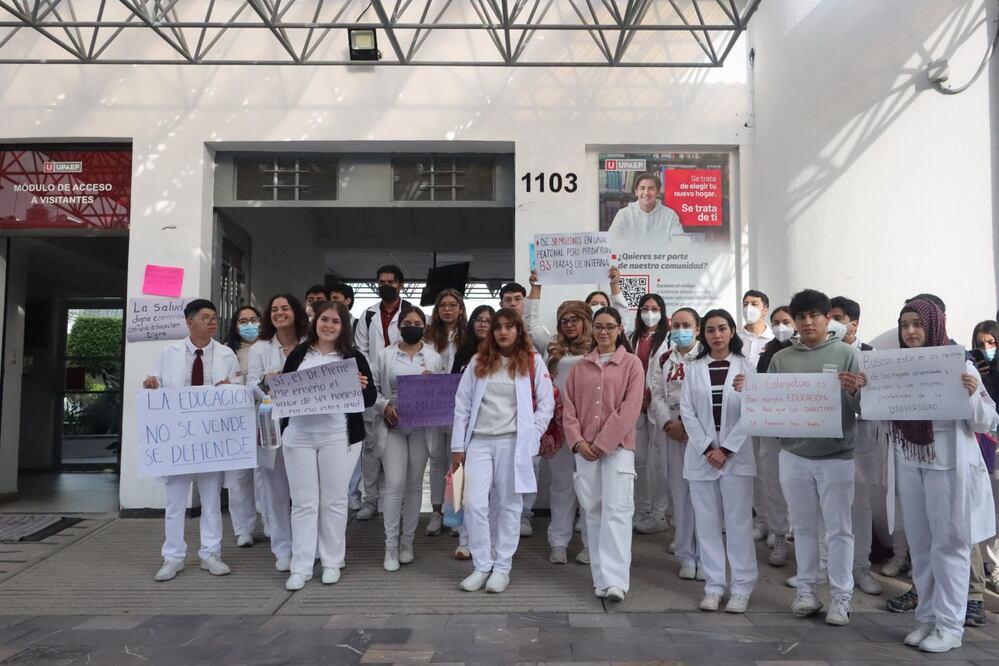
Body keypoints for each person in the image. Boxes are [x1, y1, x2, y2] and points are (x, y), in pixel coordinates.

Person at [867, 298, 998, 653]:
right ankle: (927, 617)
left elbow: (988, 421)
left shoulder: (961, 365)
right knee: (921, 545)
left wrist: (971, 396)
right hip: (911, 462)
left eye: (917, 324)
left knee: (950, 546)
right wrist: (868, 391)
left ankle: (950, 626)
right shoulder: (895, 367)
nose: (910, 331)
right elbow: (883, 420)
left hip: (950, 468)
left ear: (934, 325)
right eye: (904, 325)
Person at [768, 288, 863, 626]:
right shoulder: (781, 359)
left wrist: (854, 390)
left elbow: (863, 407)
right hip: (793, 455)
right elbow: (769, 404)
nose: (808, 322)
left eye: (814, 316)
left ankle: (841, 598)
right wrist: (748, 393)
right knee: (803, 528)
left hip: (836, 456)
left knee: (839, 530)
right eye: (801, 317)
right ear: (795, 321)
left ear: (827, 319)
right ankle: (806, 592)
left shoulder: (847, 354)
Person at [451, 309, 554, 593]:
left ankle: (502, 567)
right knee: (474, 504)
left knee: (510, 505)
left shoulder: (532, 361)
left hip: (513, 442)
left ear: (519, 330)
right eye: (498, 327)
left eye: (510, 327)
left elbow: (547, 404)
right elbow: (462, 405)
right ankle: (482, 565)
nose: (503, 332)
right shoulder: (478, 361)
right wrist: (458, 446)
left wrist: (532, 435)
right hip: (479, 442)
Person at [280, 301, 377, 591]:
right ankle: (301, 565)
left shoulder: (354, 357)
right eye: (325, 319)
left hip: (338, 434)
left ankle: (332, 561)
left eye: (336, 321)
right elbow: (283, 393)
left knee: (334, 500)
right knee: (303, 502)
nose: (329, 325)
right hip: (299, 435)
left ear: (343, 326)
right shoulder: (299, 354)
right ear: (316, 321)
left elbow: (370, 398)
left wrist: (361, 387)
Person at [143, 299, 239, 582]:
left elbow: (238, 387)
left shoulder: (226, 354)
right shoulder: (168, 353)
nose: (212, 322)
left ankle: (211, 554)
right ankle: (173, 556)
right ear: (189, 322)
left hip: (211, 437)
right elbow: (155, 384)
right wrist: (151, 384)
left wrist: (231, 388)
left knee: (210, 499)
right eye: (205, 317)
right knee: (175, 501)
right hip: (179, 439)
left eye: (214, 317)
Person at [564, 306, 645, 601]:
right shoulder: (579, 367)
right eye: (599, 326)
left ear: (620, 329)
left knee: (617, 513)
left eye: (610, 326)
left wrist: (603, 443)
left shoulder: (632, 364)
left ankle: (616, 582)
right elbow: (568, 409)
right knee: (594, 513)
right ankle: (601, 580)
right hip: (584, 451)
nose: (604, 332)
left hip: (618, 450)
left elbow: (630, 409)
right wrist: (578, 442)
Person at [680, 308, 757, 613]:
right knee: (707, 524)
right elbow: (687, 411)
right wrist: (706, 449)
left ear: (732, 331)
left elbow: (752, 411)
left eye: (722, 328)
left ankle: (741, 587)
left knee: (738, 524)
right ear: (703, 334)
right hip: (702, 457)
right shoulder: (693, 369)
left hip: (735, 457)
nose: (716, 335)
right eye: (710, 330)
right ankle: (714, 586)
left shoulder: (747, 367)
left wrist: (725, 449)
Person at [373, 306, 446, 571]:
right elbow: (374, 388)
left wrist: (433, 383)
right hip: (393, 425)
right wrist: (384, 407)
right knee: (394, 483)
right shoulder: (385, 355)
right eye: (407, 323)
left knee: (414, 485)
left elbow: (443, 393)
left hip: (421, 428)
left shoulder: (434, 357)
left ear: (424, 327)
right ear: (399, 327)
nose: (411, 327)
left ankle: (407, 543)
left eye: (417, 323)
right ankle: (390, 546)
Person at [247, 294, 308, 573]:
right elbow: (251, 385)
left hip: (305, 423)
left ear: (296, 312)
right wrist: (267, 383)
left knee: (305, 492)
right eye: (274, 309)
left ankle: (306, 547)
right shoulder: (260, 348)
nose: (279, 313)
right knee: (276, 491)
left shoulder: (309, 344)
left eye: (285, 308)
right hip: (271, 424)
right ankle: (283, 549)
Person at [829, 296, 884, 597]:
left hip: (861, 435)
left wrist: (861, 389)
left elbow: (881, 399)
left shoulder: (872, 355)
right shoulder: (822, 351)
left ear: (853, 323)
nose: (831, 323)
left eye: (837, 317)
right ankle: (825, 567)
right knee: (827, 502)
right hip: (828, 434)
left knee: (860, 504)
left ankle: (861, 567)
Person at [355, 265, 414, 521]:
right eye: (381, 282)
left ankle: (401, 501)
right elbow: (361, 351)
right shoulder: (368, 315)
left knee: (403, 449)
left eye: (391, 281)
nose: (386, 285)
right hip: (372, 385)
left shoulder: (411, 312)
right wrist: (376, 377)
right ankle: (370, 499)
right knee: (371, 448)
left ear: (401, 284)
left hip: (404, 387)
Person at [648, 307, 703, 580]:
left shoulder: (707, 357)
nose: (680, 330)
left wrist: (689, 427)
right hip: (672, 433)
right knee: (679, 497)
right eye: (676, 325)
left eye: (686, 325)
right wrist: (668, 424)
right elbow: (657, 395)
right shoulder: (664, 358)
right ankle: (686, 556)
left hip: (702, 436)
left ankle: (705, 556)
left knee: (703, 498)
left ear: (697, 329)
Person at [540, 300, 594, 565]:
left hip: (589, 426)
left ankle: (590, 545)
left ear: (586, 321)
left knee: (589, 487)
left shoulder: (597, 348)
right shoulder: (553, 348)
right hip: (559, 424)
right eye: (564, 321)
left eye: (575, 320)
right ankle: (558, 542)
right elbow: (543, 384)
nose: (570, 325)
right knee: (562, 485)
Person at [449, 304, 495, 560]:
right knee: (468, 490)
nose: (483, 324)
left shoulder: (505, 356)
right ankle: (465, 540)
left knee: (493, 495)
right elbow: (454, 392)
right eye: (478, 319)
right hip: (468, 432)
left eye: (488, 320)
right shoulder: (463, 354)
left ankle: (491, 542)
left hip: (496, 433)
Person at [502, 279, 547, 536]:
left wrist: (536, 288)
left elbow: (530, 322)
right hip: (500, 415)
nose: (513, 304)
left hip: (530, 412)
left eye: (518, 299)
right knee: (501, 470)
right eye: (508, 300)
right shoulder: (495, 332)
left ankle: (524, 515)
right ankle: (501, 514)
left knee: (530, 465)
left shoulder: (535, 334)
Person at [424, 289, 468, 536]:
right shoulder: (428, 336)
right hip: (434, 404)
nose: (447, 309)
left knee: (457, 461)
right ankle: (437, 511)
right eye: (443, 305)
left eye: (453, 305)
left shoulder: (468, 336)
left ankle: (456, 512)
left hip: (459, 406)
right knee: (436, 458)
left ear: (460, 309)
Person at [754, 306, 794, 567]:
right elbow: (759, 386)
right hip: (771, 428)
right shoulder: (766, 353)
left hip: (802, 430)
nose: (781, 327)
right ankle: (779, 533)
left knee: (797, 485)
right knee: (771, 482)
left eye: (786, 321)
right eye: (776, 322)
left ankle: (792, 532)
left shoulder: (805, 352)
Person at [628, 293, 671, 534]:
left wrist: (651, 395)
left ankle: (659, 513)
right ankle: (641, 509)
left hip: (658, 404)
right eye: (645, 308)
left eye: (654, 309)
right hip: (635, 406)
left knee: (660, 463)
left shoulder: (669, 339)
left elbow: (668, 373)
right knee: (639, 461)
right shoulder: (632, 338)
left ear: (662, 312)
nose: (649, 313)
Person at [223, 305, 262, 548]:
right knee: (238, 477)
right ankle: (243, 529)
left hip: (264, 415)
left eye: (254, 320)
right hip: (235, 418)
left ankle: (271, 523)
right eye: (243, 321)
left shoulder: (269, 347)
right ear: (235, 326)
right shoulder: (226, 351)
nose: (249, 325)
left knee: (266, 473)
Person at [738, 290, 775, 545]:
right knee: (750, 472)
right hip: (740, 414)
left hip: (769, 415)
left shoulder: (774, 340)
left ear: (765, 310)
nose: (749, 308)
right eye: (745, 304)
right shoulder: (735, 339)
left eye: (754, 304)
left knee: (770, 472)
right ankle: (761, 520)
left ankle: (778, 525)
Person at [606, 172, 682, 243]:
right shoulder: (623, 214)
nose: (646, 193)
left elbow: (680, 244)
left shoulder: (670, 215)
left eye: (651, 188)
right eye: (642, 188)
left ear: (658, 192)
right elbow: (613, 243)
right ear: (636, 192)